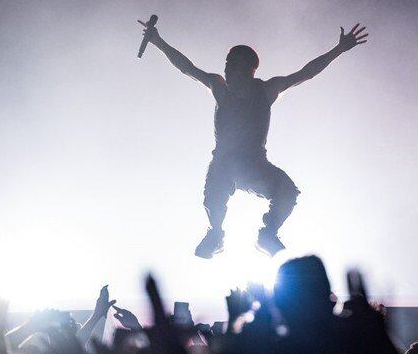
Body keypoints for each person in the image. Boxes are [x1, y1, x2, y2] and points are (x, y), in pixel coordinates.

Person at [137, 19, 368, 257]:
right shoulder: (219, 86)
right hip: (224, 163)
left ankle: (268, 234)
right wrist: (158, 42)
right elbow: (187, 67)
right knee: (214, 194)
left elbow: (306, 73)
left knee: (287, 191)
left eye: (231, 64)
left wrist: (339, 49)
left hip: (254, 165)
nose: (226, 68)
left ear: (248, 69)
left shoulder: (267, 90)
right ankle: (215, 234)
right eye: (226, 63)